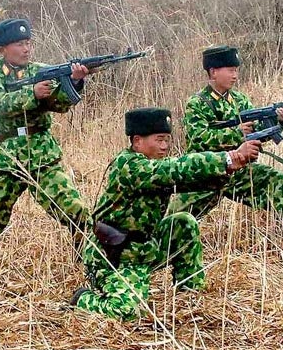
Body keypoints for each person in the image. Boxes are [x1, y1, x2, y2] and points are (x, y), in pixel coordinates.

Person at [70, 108, 261, 320]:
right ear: (137, 141)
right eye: (159, 139)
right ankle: (82, 299)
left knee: (184, 223)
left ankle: (189, 294)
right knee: (128, 312)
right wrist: (227, 158)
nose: (164, 146)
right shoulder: (129, 166)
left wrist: (232, 166)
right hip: (115, 257)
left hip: (145, 248)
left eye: (167, 140)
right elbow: (176, 168)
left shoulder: (155, 167)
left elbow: (191, 179)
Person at [0, 18, 91, 273]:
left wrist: (75, 81)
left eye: (28, 43)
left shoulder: (40, 70)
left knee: (77, 212)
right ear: (2, 48)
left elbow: (59, 105)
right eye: (19, 44)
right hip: (9, 160)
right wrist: (32, 94)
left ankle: (90, 265)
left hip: (42, 155)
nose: (26, 49)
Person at [170, 45, 283, 225]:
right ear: (213, 72)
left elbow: (257, 133)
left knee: (280, 183)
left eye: (236, 70)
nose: (235, 75)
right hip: (207, 173)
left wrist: (279, 122)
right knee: (174, 219)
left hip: (239, 171)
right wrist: (236, 133)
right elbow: (198, 138)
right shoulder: (197, 103)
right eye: (230, 70)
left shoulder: (240, 100)